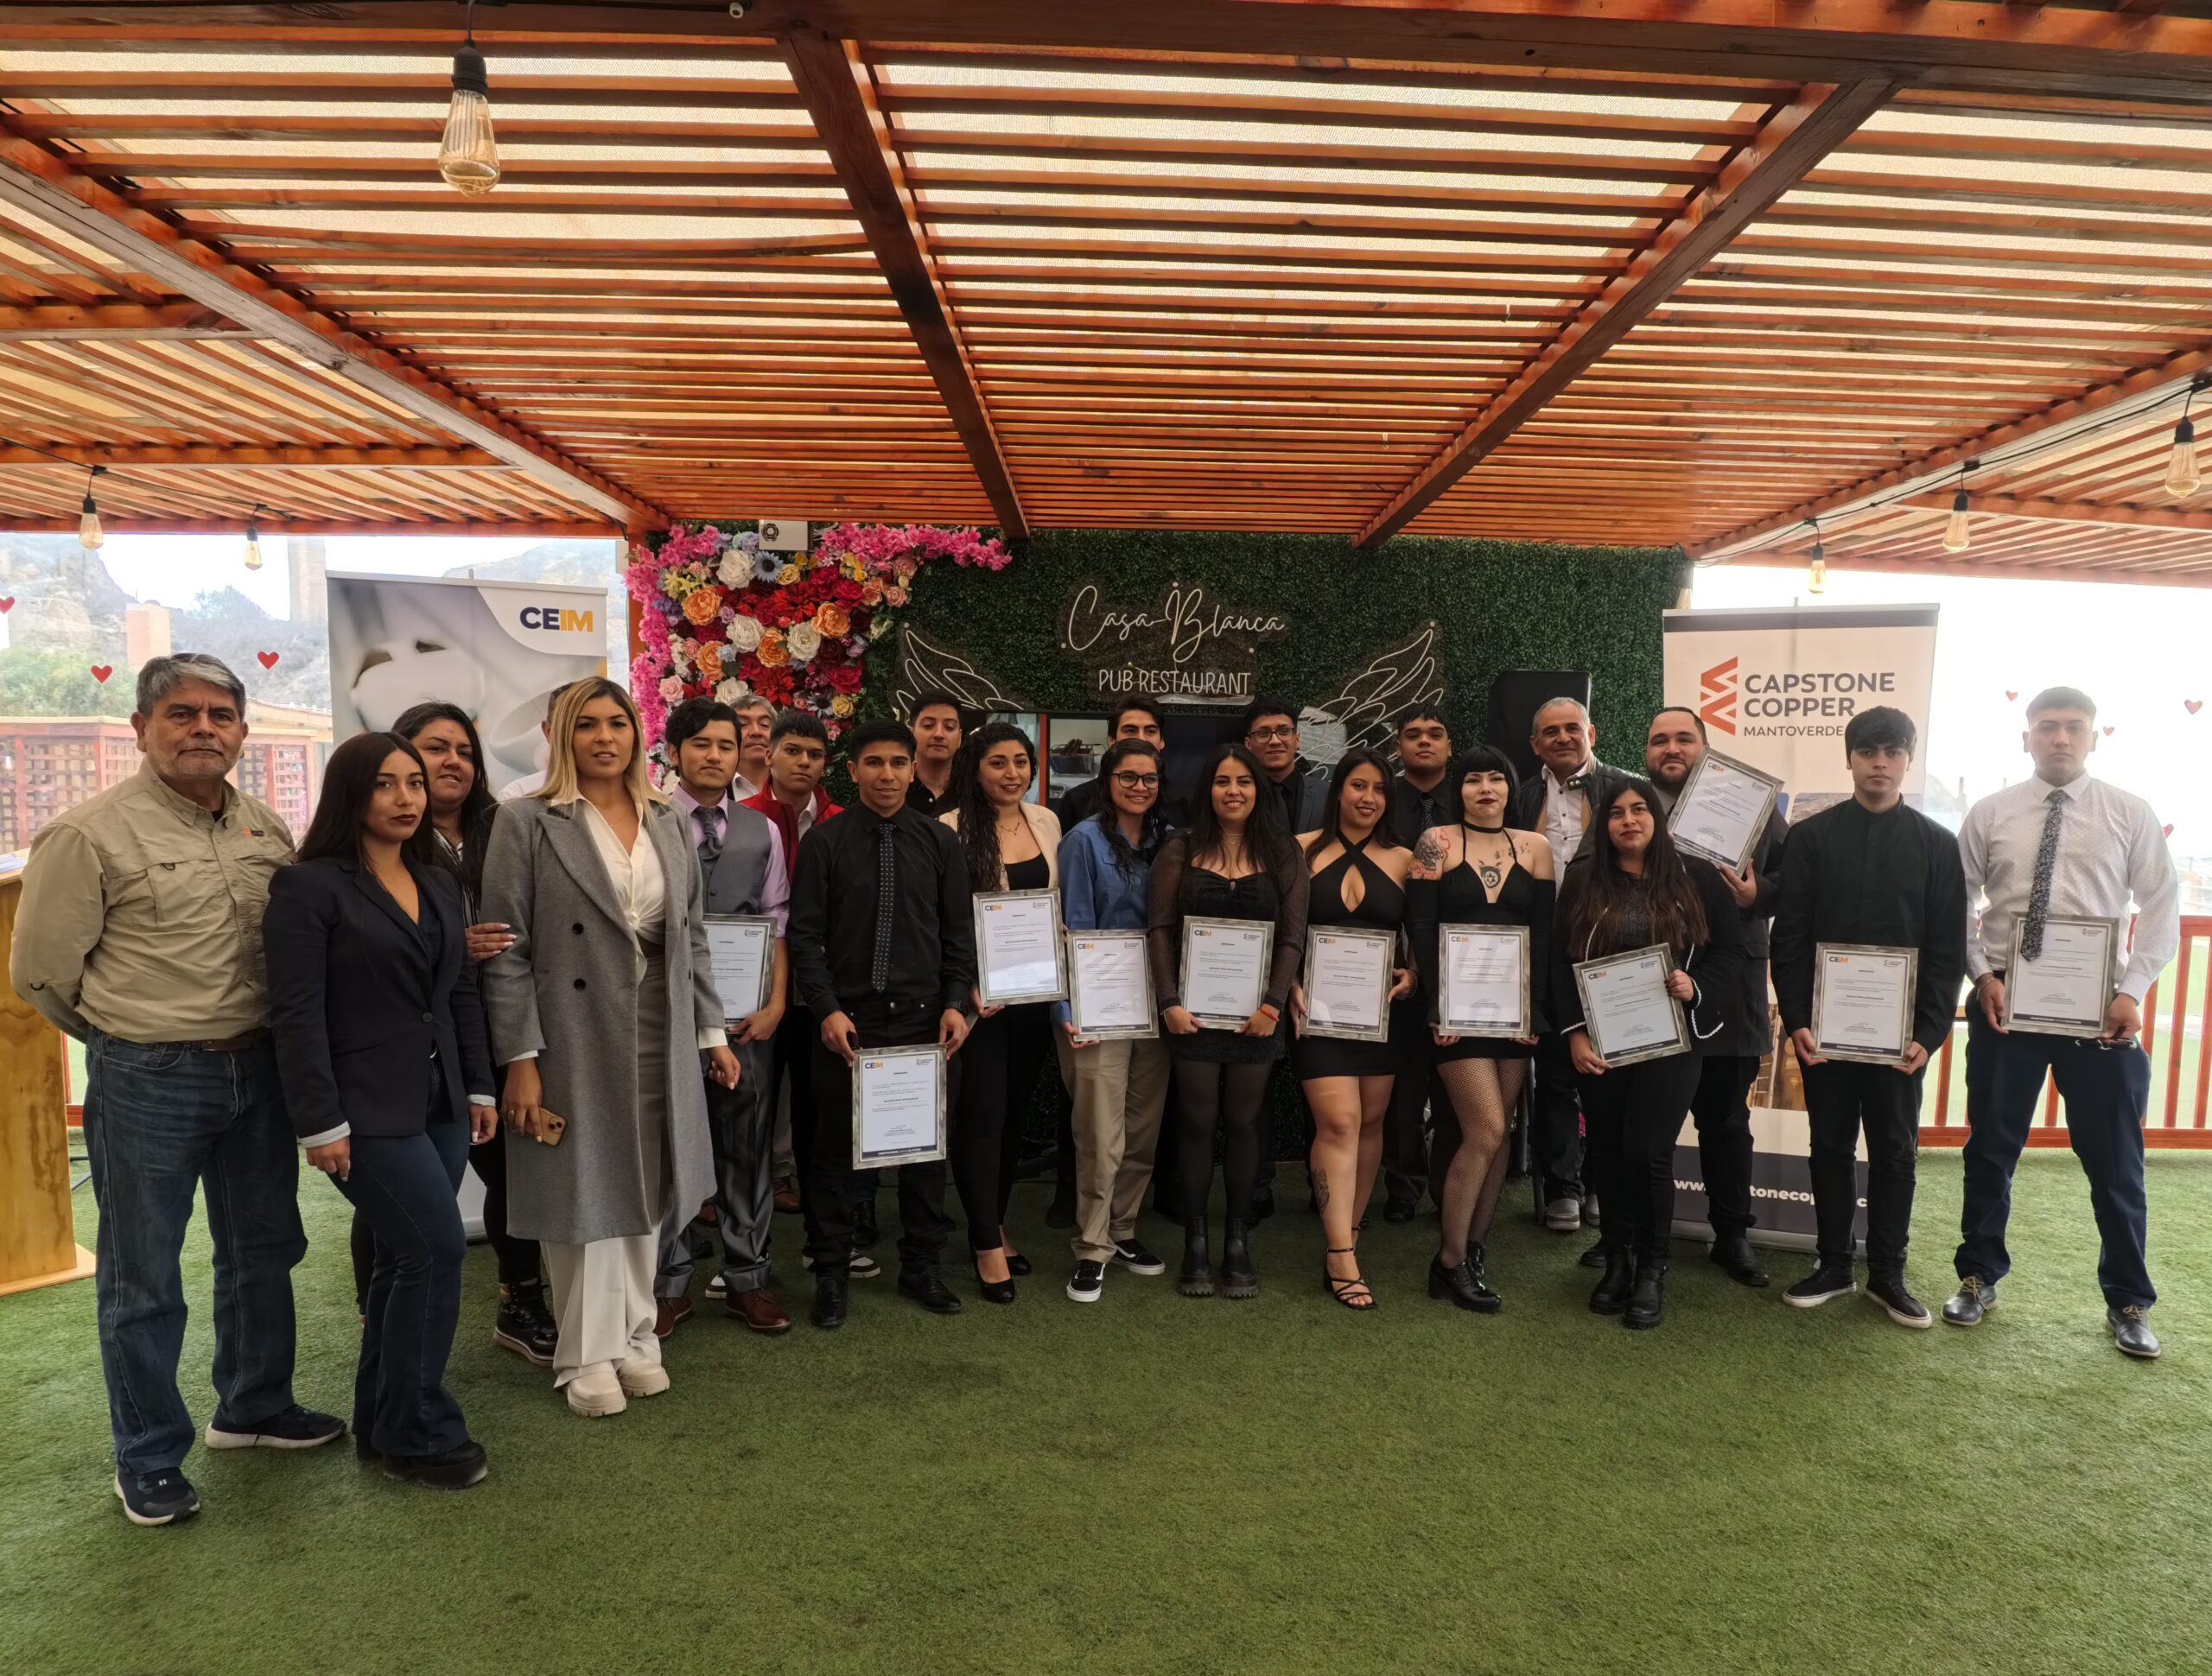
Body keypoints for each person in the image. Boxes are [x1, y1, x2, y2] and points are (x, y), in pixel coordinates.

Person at [11, 653, 341, 1526]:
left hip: (260, 1070)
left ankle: (255, 1405)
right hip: (149, 1075)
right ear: (142, 728)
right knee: (145, 1276)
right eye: (182, 713)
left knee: (264, 1249)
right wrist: (130, 1038)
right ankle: (149, 1455)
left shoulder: (264, 827)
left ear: (242, 731)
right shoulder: (88, 835)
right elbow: (41, 974)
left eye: (219, 715)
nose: (203, 729)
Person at [479, 679, 740, 1418]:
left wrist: (712, 1033)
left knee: (647, 1182)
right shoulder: (526, 820)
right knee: (584, 1186)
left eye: (617, 723)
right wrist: (521, 1059)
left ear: (636, 732)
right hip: (569, 1031)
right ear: (562, 735)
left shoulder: (667, 818)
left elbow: (690, 937)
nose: (604, 737)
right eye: (586, 724)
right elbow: (506, 952)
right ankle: (586, 1353)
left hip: (660, 1022)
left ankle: (635, 1334)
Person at [264, 733, 498, 1490]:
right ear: (351, 793)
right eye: (386, 784)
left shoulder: (436, 881)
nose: (407, 798)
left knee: (404, 1260)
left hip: (441, 1101)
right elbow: (296, 1014)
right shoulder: (308, 887)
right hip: (360, 1109)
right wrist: (319, 1122)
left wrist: (479, 1086)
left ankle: (382, 1422)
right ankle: (420, 1433)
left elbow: (457, 991)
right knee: (435, 1251)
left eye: (415, 783)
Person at [1948, 687, 2179, 1358]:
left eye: (2074, 727)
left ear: (2094, 738)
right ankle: (1977, 1276)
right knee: (1991, 1149)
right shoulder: (1990, 813)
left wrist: (2133, 990)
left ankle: (2129, 1300)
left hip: (2100, 1014)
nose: (2060, 738)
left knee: (2116, 1163)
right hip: (2004, 1005)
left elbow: (2161, 906)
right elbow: (1956, 903)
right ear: (2026, 738)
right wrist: (1982, 976)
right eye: (2046, 727)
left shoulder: (2128, 813)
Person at [1770, 706, 1967, 1329]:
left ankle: (1888, 1274)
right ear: (1850, 759)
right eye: (1868, 752)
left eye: (1892, 752)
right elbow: (1789, 937)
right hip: (1822, 1033)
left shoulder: (1938, 846)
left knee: (1896, 1152)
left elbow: (1947, 949)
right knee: (1829, 1145)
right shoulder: (1810, 838)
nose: (1880, 763)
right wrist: (1797, 1019)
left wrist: (1929, 1032)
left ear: (1908, 759)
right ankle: (1834, 1265)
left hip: (1900, 1039)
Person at [380, 701, 557, 1367]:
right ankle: (379, 1313)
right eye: (435, 748)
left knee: (514, 1170)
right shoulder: (383, 836)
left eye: (463, 750)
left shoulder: (504, 825)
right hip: (414, 1037)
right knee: (398, 1180)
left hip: (502, 1027)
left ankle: (521, 1300)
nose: (452, 761)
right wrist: (455, 946)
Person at [787, 719, 976, 1329]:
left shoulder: (940, 842)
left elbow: (959, 934)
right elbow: (805, 936)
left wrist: (957, 1003)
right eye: (874, 763)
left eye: (898, 762)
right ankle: (832, 1273)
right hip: (849, 1023)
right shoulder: (825, 842)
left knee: (924, 1154)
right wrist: (826, 1009)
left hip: (926, 1022)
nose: (887, 774)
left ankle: (922, 1266)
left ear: (913, 767)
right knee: (833, 1156)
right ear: (853, 770)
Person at [1553, 777, 1742, 1331]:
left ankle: (1652, 1270)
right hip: (1602, 1040)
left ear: (1657, 820)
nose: (1629, 820)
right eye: (1616, 813)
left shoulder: (1696, 876)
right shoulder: (1583, 881)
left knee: (1649, 1152)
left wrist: (1696, 987)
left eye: (1640, 810)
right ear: (1604, 825)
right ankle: (1617, 1260)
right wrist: (1574, 1032)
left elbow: (1731, 951)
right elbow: (1560, 961)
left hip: (1672, 1040)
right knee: (1608, 1151)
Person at [1148, 741, 1310, 1300]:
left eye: (1243, 781)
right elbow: (1160, 929)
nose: (1233, 791)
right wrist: (1169, 1001)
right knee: (1196, 1122)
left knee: (1243, 1124)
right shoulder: (1181, 846)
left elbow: (1292, 935)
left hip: (1257, 1019)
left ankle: (1236, 1241)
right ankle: (1195, 1241)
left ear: (1258, 790)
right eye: (1222, 781)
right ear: (1208, 790)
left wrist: (1272, 1005)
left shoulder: (1283, 851)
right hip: (1190, 1016)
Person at [659, 697, 791, 1336]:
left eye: (726, 745)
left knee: (747, 1146)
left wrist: (776, 1004)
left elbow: (778, 922)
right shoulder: (649, 821)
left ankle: (748, 1279)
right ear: (674, 752)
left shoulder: (762, 829)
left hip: (746, 1018)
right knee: (671, 1147)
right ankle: (669, 1284)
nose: (714, 756)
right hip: (666, 1015)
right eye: (702, 744)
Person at [1408, 746, 1554, 1315]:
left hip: (1513, 1015)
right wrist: (1437, 1006)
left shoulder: (1536, 847)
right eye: (1474, 779)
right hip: (1456, 1014)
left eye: (1497, 778)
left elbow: (1542, 935)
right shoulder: (1434, 842)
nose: (1486, 788)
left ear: (1511, 788)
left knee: (1502, 1133)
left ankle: (1473, 1251)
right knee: (1486, 1129)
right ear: (1460, 788)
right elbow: (1422, 928)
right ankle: (1447, 1261)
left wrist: (1533, 1010)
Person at [1643, 705, 1783, 1288]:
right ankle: (1626, 1234)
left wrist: (1757, 894)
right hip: (1648, 986)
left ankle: (1731, 1235)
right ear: (1647, 753)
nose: (1671, 749)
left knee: (1725, 1121)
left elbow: (1792, 880)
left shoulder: (1751, 805)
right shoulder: (1632, 807)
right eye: (1659, 741)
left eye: (1684, 738)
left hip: (1728, 985)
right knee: (1638, 1121)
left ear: (1705, 747)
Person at [1288, 748, 1415, 1311]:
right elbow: (1283, 928)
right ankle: (1340, 1253)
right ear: (1339, 790)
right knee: (1338, 1122)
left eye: (1380, 789)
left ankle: (1350, 1232)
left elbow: (1422, 934)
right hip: (1316, 1014)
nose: (1368, 798)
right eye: (1358, 786)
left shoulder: (1406, 859)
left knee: (1369, 1124)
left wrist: (1415, 974)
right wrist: (1288, 982)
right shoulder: (1300, 850)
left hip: (1382, 1015)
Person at [940, 721, 1062, 1303]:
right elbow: (943, 920)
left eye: (1020, 762)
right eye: (998, 763)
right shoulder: (949, 829)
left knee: (1013, 1115)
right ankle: (985, 1242)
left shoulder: (1046, 822)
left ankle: (997, 1223)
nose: (1012, 773)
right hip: (979, 1003)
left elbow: (1052, 904)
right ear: (975, 768)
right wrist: (964, 986)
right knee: (982, 1116)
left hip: (1033, 995)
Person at [1056, 738, 1173, 1304]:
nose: (1139, 787)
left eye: (1149, 778)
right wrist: (1066, 1009)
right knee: (1101, 1133)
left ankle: (1122, 1230)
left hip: (1156, 1003)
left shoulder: (1168, 841)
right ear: (1107, 782)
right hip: (1097, 1004)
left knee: (1142, 1128)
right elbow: (1070, 927)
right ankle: (1092, 1247)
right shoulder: (1082, 841)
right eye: (1128, 777)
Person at [1512, 695, 1635, 1236]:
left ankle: (1601, 1182)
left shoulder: (1625, 789)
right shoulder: (1521, 796)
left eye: (1572, 728)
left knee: (1610, 1074)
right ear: (1535, 744)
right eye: (1550, 732)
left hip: (1610, 948)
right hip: (1544, 950)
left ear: (1592, 733)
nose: (1562, 737)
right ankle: (1563, 1186)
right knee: (1556, 1074)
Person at [743, 712, 849, 1238]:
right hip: (753, 989)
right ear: (770, 755)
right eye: (793, 751)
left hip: (821, 992)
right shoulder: (742, 820)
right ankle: (745, 1231)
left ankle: (821, 1232)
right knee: (750, 1107)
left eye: (814, 755)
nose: (803, 762)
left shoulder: (842, 822)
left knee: (815, 1109)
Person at [1380, 704, 1456, 1221]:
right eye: (1412, 735)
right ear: (1399, 746)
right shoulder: (1381, 801)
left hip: (1462, 964)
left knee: (1454, 1088)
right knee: (1403, 1088)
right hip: (1395, 963)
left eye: (1434, 734)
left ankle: (1451, 1189)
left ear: (1450, 746)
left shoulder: (1471, 798)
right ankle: (1403, 1187)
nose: (1424, 741)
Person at [1051, 699, 1182, 832]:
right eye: (1130, 730)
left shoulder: (1178, 805)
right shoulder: (1078, 801)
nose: (1141, 739)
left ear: (1162, 741)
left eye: (1150, 731)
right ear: (1112, 739)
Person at [1241, 694, 1328, 836]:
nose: (1275, 741)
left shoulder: (1327, 795)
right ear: (1248, 744)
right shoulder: (1237, 796)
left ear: (1297, 740)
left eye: (1284, 732)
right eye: (1263, 733)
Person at [906, 689, 965, 816]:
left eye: (949, 727)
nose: (939, 734)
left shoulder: (973, 792)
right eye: (928, 725)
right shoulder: (896, 788)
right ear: (911, 733)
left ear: (960, 738)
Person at [731, 694, 775, 801]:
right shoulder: (714, 790)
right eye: (742, 724)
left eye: (764, 724)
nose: (756, 731)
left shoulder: (791, 786)